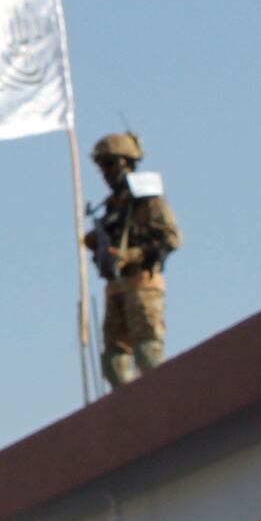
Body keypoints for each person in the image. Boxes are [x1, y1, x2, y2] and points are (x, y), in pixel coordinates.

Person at [83, 131, 183, 387]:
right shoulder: (112, 206)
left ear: (125, 163)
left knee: (147, 352)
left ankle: (159, 401)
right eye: (101, 165)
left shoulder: (148, 200)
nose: (104, 172)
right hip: (116, 287)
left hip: (142, 284)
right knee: (113, 361)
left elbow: (171, 238)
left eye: (109, 164)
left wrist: (130, 255)